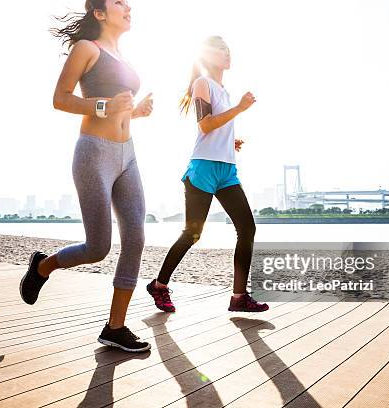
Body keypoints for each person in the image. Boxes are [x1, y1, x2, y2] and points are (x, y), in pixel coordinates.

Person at [19, 0, 153, 353]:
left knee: (136, 238)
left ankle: (115, 326)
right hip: (94, 152)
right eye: (119, 3)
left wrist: (135, 112)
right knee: (98, 248)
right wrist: (103, 106)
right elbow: (60, 98)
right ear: (99, 12)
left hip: (129, 155)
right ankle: (42, 267)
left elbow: (118, 109)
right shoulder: (86, 48)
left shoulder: (122, 54)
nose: (128, 7)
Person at [146, 36, 268, 313]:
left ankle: (239, 297)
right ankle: (159, 286)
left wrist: (230, 140)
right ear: (208, 56)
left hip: (227, 170)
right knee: (192, 234)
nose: (228, 54)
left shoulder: (223, 89)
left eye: (229, 50)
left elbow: (218, 127)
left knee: (247, 228)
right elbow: (205, 125)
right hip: (203, 169)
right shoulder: (203, 83)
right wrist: (239, 108)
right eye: (222, 50)